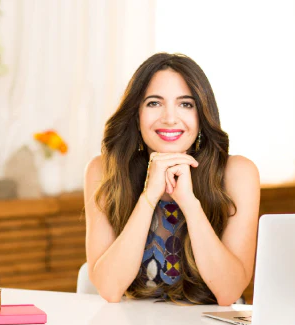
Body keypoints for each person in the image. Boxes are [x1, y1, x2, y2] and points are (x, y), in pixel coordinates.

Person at [83, 53, 260, 305]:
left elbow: (229, 293)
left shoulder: (238, 173)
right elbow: (110, 289)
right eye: (154, 103)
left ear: (201, 115)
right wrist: (148, 196)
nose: (169, 117)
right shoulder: (103, 170)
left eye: (185, 104)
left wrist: (189, 202)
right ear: (136, 114)